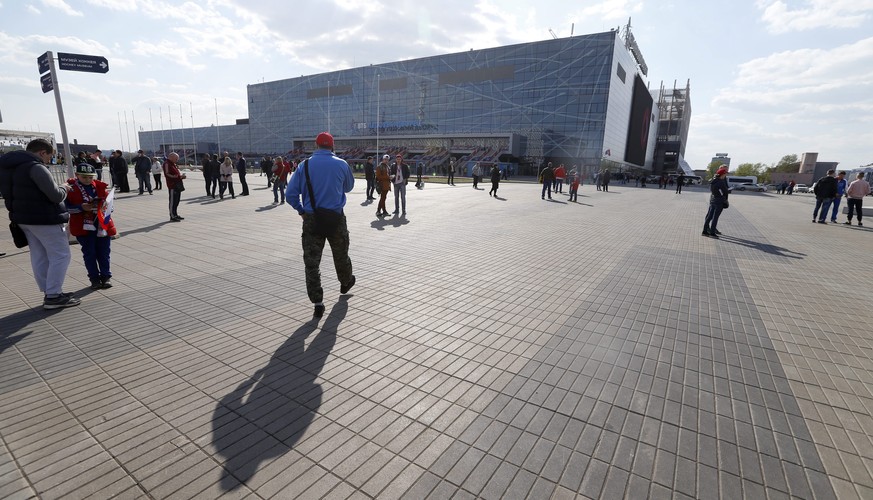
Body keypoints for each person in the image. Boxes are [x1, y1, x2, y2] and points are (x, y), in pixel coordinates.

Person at [0, 138, 80, 309]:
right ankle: (53, 296)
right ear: (42, 152)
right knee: (61, 255)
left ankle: (50, 291)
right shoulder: (35, 167)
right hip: (46, 218)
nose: (48, 161)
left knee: (39, 256)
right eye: (48, 157)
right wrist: (65, 187)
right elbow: (55, 195)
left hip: (22, 219)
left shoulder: (9, 167)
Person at [285, 132, 355, 318]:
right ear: (332, 146)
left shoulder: (304, 165)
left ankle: (318, 302)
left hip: (312, 219)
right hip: (336, 218)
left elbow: (290, 194)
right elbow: (348, 187)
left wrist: (301, 210)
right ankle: (345, 281)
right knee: (341, 254)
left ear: (316, 146)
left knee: (311, 262)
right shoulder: (342, 164)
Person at [65, 164, 117, 290]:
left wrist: (105, 207)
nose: (88, 180)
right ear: (77, 176)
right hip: (83, 227)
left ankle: (106, 276)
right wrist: (80, 207)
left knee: (104, 252)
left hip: (101, 225)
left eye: (90, 177)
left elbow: (110, 205)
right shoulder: (70, 189)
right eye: (84, 177)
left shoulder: (99, 186)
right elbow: (65, 208)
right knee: (90, 254)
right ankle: (94, 279)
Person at [702, 167, 729, 238]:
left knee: (709, 216)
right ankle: (712, 232)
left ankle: (704, 231)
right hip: (719, 201)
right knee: (715, 217)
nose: (725, 176)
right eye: (725, 174)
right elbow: (724, 192)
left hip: (713, 200)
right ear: (722, 174)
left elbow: (714, 191)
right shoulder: (721, 182)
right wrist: (725, 199)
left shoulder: (713, 181)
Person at [162, 152, 187, 221]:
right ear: (171, 157)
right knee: (172, 201)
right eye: (176, 159)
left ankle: (175, 214)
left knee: (177, 201)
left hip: (177, 184)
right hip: (172, 185)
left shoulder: (173, 164)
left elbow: (175, 174)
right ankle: (172, 216)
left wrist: (180, 177)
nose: (177, 160)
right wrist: (178, 176)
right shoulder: (167, 163)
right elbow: (167, 174)